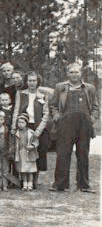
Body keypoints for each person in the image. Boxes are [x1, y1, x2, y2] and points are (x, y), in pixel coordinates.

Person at [49, 63, 99, 193]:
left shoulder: (89, 88)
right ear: (67, 74)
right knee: (63, 154)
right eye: (71, 72)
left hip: (84, 125)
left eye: (76, 72)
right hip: (65, 125)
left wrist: (91, 119)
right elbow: (53, 105)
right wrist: (57, 117)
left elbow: (95, 107)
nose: (74, 74)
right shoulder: (60, 87)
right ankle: (60, 184)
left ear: (81, 73)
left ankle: (83, 185)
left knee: (83, 154)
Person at [12, 71, 51, 184]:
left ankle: (36, 178)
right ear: (26, 82)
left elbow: (46, 115)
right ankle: (24, 179)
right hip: (24, 125)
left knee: (40, 150)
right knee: (24, 151)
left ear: (38, 82)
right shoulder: (20, 94)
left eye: (34, 81)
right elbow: (16, 110)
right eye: (30, 81)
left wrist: (38, 130)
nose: (32, 83)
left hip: (38, 126)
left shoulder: (43, 96)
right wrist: (14, 126)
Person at [11, 113, 38, 191]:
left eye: (22, 122)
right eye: (19, 122)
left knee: (29, 170)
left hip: (29, 153)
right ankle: (24, 184)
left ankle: (30, 184)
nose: (20, 124)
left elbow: (36, 141)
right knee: (23, 170)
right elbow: (13, 142)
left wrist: (32, 146)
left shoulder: (31, 132)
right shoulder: (16, 133)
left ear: (26, 123)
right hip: (20, 153)